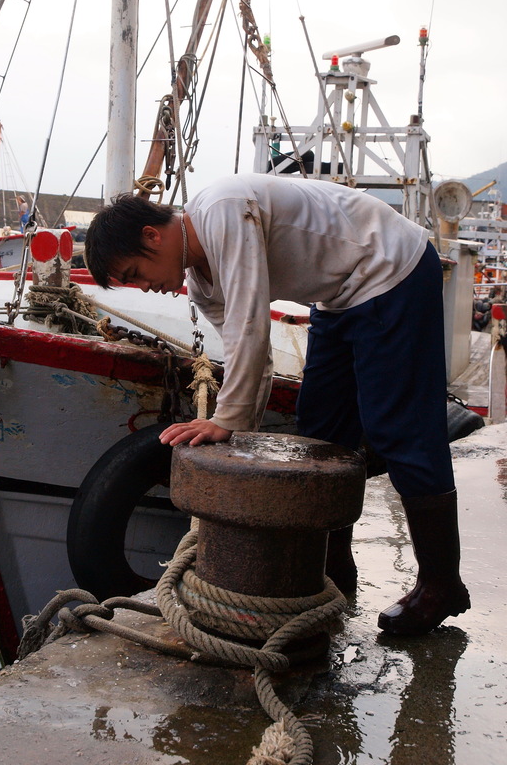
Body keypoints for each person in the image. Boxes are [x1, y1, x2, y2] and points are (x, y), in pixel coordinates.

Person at [84, 172, 470, 635]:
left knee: (397, 427)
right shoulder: (203, 287)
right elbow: (254, 353)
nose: (144, 287)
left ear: (152, 235)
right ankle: (332, 571)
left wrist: (226, 420)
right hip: (338, 297)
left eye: (135, 274)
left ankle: (441, 584)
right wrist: (235, 436)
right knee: (321, 432)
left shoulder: (222, 208)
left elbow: (252, 321)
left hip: (390, 267)